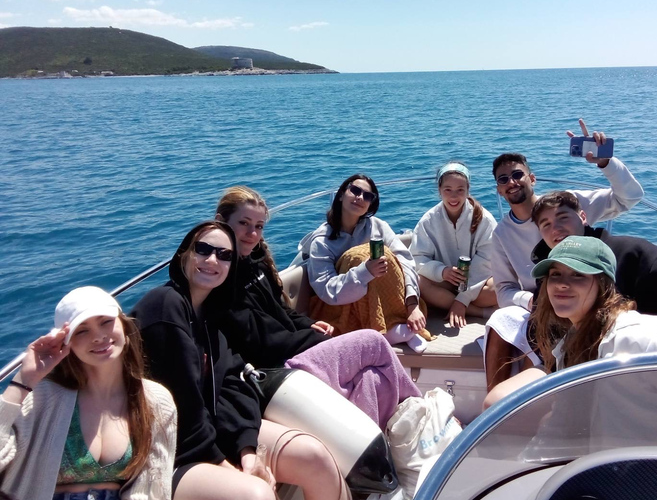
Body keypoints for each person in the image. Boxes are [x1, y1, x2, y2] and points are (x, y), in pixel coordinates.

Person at [484, 236, 657, 455]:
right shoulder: (572, 341)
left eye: (578, 276)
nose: (562, 285)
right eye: (555, 275)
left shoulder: (642, 339)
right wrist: (528, 462)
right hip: (605, 467)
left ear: (603, 285)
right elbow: (562, 419)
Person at [215, 185, 422, 431]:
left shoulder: (255, 265)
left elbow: (282, 312)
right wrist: (312, 338)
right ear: (221, 222)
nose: (252, 233)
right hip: (275, 367)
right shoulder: (220, 279)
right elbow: (259, 340)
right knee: (373, 341)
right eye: (244, 223)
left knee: (371, 379)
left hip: (292, 347)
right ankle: (420, 410)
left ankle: (376, 441)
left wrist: (308, 324)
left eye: (258, 226)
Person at [485, 119, 644, 387]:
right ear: (499, 191)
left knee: (549, 335)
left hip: (582, 300)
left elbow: (629, 198)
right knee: (502, 319)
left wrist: (606, 163)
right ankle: (497, 406)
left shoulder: (565, 206)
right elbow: (503, 291)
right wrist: (530, 301)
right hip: (537, 306)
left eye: (517, 175)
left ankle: (537, 401)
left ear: (532, 178)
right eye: (503, 179)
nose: (511, 182)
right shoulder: (501, 234)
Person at [131, 221, 277, 500]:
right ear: (184, 254)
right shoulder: (164, 307)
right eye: (203, 249)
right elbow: (179, 409)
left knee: (313, 456)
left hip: (207, 436)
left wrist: (246, 450)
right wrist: (225, 465)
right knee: (256, 494)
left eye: (225, 255)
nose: (213, 260)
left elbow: (232, 380)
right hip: (163, 454)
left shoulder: (209, 314)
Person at [0, 286, 177, 500]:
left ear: (124, 327)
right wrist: (23, 382)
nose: (99, 336)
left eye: (106, 322)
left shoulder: (156, 401)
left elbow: (153, 489)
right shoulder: (42, 396)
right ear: (67, 344)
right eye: (82, 331)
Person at [530, 190, 657, 348]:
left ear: (583, 216)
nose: (555, 228)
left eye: (563, 218)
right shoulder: (547, 269)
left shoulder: (630, 253)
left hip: (630, 358)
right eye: (545, 224)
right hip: (570, 362)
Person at [306, 174, 430, 352]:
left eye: (367, 196)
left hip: (385, 302)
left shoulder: (377, 227)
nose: (360, 198)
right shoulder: (322, 241)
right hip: (341, 308)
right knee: (359, 256)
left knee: (388, 254)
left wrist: (412, 305)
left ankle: (397, 322)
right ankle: (387, 331)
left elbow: (405, 261)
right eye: (355, 190)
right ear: (341, 194)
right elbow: (327, 290)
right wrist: (365, 271)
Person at [409, 162, 498, 328]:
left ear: (468, 190)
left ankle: (454, 304)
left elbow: (488, 261)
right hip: (445, 282)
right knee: (418, 281)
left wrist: (462, 299)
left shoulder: (485, 219)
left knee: (499, 288)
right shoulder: (428, 220)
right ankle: (478, 312)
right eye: (447, 189)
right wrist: (441, 272)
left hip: (477, 283)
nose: (453, 196)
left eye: (460, 190)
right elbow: (416, 258)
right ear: (439, 190)